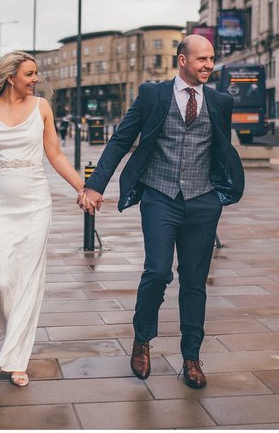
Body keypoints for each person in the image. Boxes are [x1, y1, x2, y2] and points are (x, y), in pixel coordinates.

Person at [79, 35, 245, 389]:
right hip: (160, 196)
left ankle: (191, 357)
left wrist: (220, 192)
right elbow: (121, 140)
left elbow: (219, 148)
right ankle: (142, 339)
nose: (208, 65)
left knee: (195, 281)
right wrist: (95, 185)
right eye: (201, 59)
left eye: (211, 58)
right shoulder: (153, 95)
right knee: (156, 271)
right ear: (182, 60)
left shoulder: (219, 101)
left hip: (203, 201)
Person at [0, 51, 88, 387]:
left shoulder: (42, 108)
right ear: (9, 76)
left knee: (28, 283)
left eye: (35, 73)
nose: (35, 80)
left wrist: (82, 188)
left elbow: (55, 154)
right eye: (29, 74)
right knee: (0, 281)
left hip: (35, 203)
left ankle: (16, 357)